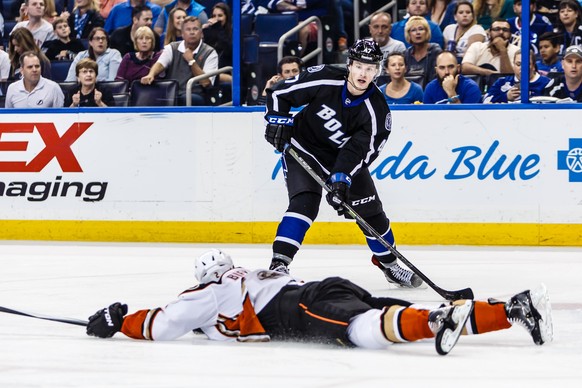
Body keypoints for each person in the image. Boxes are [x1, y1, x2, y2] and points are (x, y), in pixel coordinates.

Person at [85, 249, 553, 356]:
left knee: (363, 333)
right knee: (384, 314)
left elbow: (166, 324)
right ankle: (514, 309)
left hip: (298, 307)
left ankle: (433, 320)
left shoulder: (210, 291)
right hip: (325, 287)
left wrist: (121, 319)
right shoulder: (248, 274)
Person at [263, 39, 422, 288]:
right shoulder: (325, 78)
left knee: (371, 213)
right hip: (305, 148)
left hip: (342, 161)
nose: (363, 73)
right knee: (304, 203)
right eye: (359, 66)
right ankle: (279, 264)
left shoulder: (377, 112)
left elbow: (358, 153)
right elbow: (280, 93)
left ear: (377, 71)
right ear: (349, 65)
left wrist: (340, 180)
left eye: (370, 68)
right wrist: (277, 122)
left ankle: (390, 265)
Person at [141, 16, 218, 106]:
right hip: (172, 92)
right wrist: (151, 74)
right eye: (188, 29)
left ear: (201, 33)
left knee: (189, 99)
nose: (192, 32)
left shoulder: (210, 53)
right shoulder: (172, 47)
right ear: (182, 34)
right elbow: (161, 63)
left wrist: (191, 61)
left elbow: (206, 82)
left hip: (197, 94)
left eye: (195, 29)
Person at [483, 49, 551, 102]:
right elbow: (485, 101)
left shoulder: (546, 83)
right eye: (518, 65)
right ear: (514, 65)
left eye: (526, 64)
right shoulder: (502, 82)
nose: (522, 68)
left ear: (533, 66)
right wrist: (505, 97)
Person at [404, 16, 442, 87]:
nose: (418, 33)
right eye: (413, 30)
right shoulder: (406, 54)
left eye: (421, 29)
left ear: (427, 32)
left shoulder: (435, 51)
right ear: (409, 34)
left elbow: (436, 78)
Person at [202, 2, 231, 83]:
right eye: (214, 16)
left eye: (220, 16)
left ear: (226, 17)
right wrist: (204, 31)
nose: (217, 19)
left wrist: (218, 28)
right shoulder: (210, 32)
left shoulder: (234, 31)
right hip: (210, 70)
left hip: (227, 71)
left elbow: (229, 50)